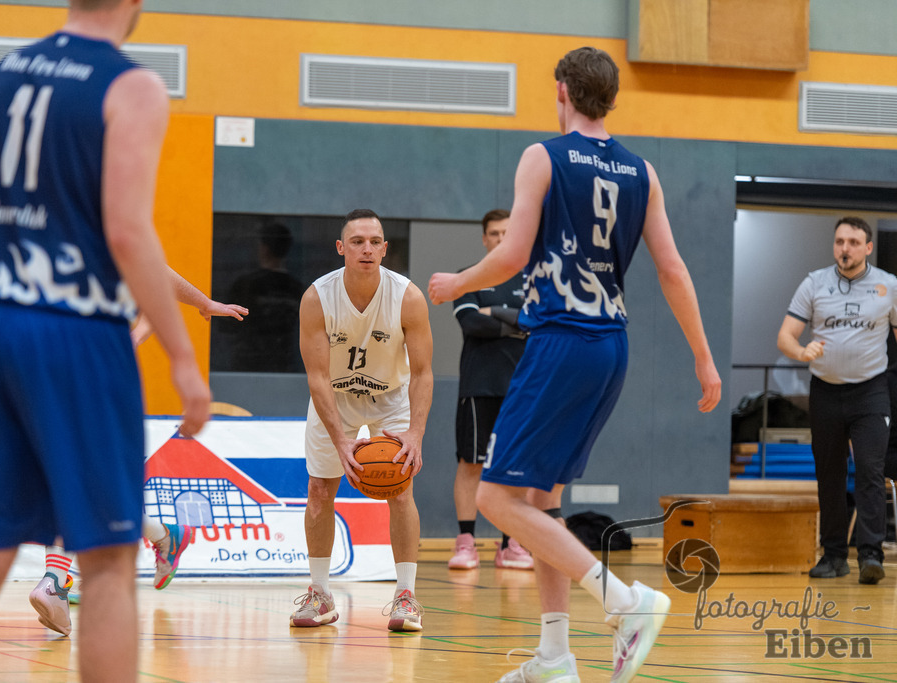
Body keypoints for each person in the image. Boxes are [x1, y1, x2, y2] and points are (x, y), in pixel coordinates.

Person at [0, 1, 211, 680]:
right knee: (108, 561)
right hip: (74, 330)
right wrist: (183, 356)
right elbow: (129, 233)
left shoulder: (2, 75)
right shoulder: (130, 84)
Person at [429, 46, 721, 683]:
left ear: (561, 90)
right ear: (611, 98)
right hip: (610, 347)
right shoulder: (643, 171)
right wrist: (703, 356)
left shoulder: (544, 157)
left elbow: (511, 257)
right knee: (539, 501)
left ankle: (626, 601)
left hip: (560, 339)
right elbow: (672, 270)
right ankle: (556, 657)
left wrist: (458, 281)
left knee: (496, 499)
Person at [0, 225, 241, 635]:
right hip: (52, 354)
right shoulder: (74, 201)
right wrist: (202, 302)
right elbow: (147, 270)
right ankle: (60, 579)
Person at [292, 209, 433, 632]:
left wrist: (415, 433)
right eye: (357, 241)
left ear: (385, 249)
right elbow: (317, 377)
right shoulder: (317, 297)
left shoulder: (407, 296)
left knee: (401, 488)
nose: (366, 248)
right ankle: (320, 594)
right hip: (336, 397)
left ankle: (406, 596)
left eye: (374, 241)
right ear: (341, 248)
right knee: (319, 491)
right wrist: (339, 440)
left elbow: (423, 371)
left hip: (391, 397)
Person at [777, 216, 893, 585]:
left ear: (868, 247)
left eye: (854, 242)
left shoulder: (888, 286)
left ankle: (871, 556)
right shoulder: (814, 283)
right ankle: (834, 556)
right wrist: (800, 350)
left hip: (871, 392)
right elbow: (785, 336)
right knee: (829, 475)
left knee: (871, 472)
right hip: (825, 391)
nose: (846, 248)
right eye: (840, 241)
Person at [448, 208, 533, 571]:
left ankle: (511, 544)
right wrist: (515, 321)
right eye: (494, 233)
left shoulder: (536, 280)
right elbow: (470, 322)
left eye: (507, 233)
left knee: (518, 467)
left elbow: (539, 321)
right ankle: (466, 542)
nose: (500, 238)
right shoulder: (467, 277)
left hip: (525, 387)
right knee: (472, 464)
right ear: (485, 239)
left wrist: (492, 313)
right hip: (479, 385)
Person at [222, 222, 305, 372]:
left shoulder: (245, 284)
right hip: (283, 365)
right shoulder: (298, 289)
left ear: (263, 248)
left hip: (247, 365)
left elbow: (226, 326)